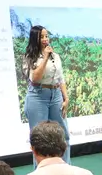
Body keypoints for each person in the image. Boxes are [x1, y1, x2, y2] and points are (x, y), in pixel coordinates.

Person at [22, 25, 71, 164]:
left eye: (46, 36)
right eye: (41, 37)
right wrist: (44, 57)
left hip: (56, 95)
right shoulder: (29, 56)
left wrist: (66, 98)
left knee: (63, 134)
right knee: (39, 138)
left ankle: (65, 168)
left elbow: (60, 78)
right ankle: (40, 173)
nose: (45, 39)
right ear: (35, 39)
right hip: (37, 96)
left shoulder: (56, 56)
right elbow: (35, 78)